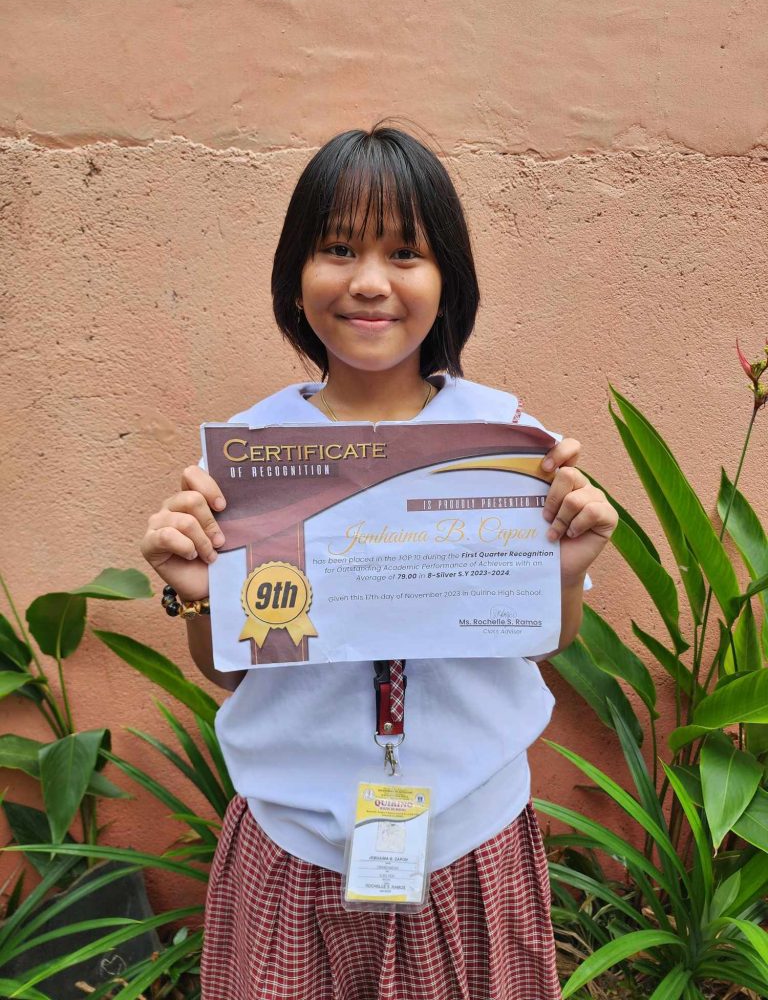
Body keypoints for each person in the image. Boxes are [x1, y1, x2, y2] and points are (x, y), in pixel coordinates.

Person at [140, 122, 618, 1000]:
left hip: (469, 846)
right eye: (337, 247)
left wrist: (566, 567)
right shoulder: (252, 456)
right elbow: (232, 671)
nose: (369, 282)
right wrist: (201, 595)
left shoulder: (509, 446)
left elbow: (541, 641)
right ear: (296, 273)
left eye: (406, 252)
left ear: (449, 281)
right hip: (293, 846)